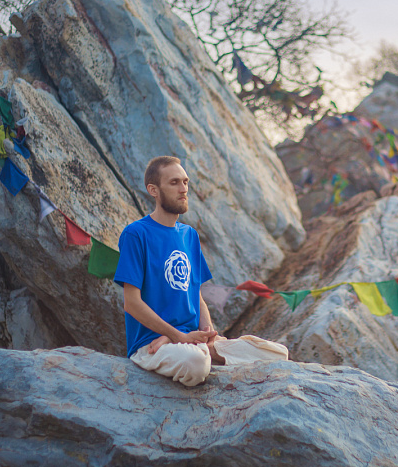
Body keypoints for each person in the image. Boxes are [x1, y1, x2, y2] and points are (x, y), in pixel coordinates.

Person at [115, 156, 288, 386]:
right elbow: (132, 303)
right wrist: (176, 337)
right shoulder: (136, 234)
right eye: (174, 182)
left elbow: (195, 295)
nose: (184, 189)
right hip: (152, 344)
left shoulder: (189, 235)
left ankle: (207, 351)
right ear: (153, 190)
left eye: (185, 182)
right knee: (195, 364)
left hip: (190, 341)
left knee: (278, 354)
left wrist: (209, 333)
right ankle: (199, 353)